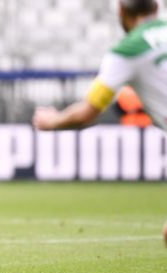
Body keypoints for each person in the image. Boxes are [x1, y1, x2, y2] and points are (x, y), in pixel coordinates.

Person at [30, 0, 167, 245]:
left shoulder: (125, 52)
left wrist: (53, 121)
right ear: (156, 8)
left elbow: (88, 110)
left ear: (122, 11)